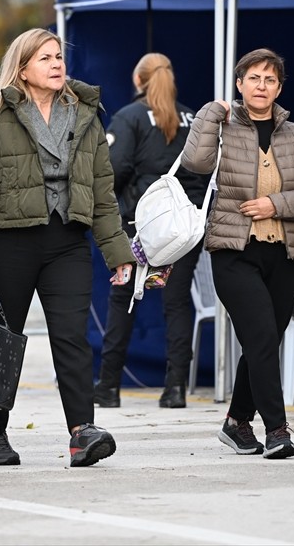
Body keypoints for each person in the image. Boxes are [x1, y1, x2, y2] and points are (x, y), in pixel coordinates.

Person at [0, 27, 133, 468]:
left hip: (67, 241)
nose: (57, 64)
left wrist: (117, 252)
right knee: (1, 339)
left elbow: (102, 190)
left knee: (73, 337)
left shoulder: (85, 113)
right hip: (10, 241)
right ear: (23, 68)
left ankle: (82, 432)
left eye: (59, 56)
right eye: (45, 58)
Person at [181, 48, 294, 459]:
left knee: (263, 342)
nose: (261, 86)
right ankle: (278, 429)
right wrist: (209, 114)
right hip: (234, 250)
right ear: (239, 84)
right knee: (263, 337)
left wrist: (277, 205)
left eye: (270, 80)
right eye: (253, 78)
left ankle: (235, 422)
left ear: (279, 88)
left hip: (286, 253)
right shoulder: (223, 126)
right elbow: (194, 162)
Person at [94, 53, 206, 410]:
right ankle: (175, 389)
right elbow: (205, 175)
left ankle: (109, 388)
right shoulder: (192, 118)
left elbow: (113, 172)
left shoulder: (129, 118)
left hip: (139, 230)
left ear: (139, 80)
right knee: (176, 304)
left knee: (123, 301)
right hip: (182, 231)